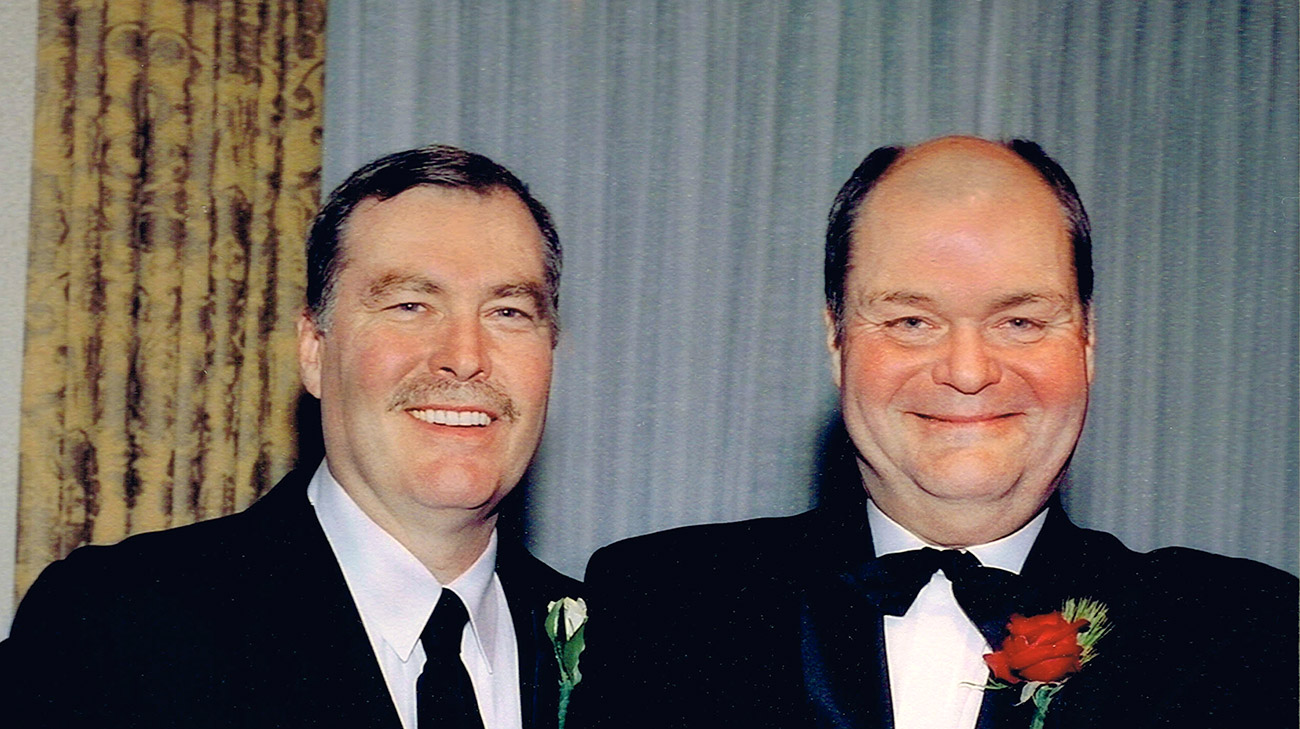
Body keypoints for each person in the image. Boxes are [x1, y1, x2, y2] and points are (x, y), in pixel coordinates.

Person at [571, 136, 1297, 729]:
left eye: (1020, 320)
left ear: (1087, 340)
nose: (968, 371)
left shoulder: (1245, 635)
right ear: (836, 341)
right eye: (912, 320)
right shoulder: (668, 603)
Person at [2, 145, 582, 729]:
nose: (465, 356)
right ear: (313, 350)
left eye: (508, 312)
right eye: (410, 305)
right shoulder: (118, 627)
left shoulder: (616, 646)